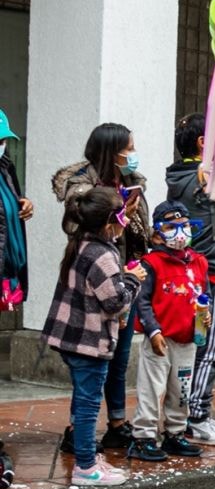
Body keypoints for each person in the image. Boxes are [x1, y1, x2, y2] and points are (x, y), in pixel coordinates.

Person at [52, 122, 150, 456]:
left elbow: (142, 234)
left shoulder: (133, 181)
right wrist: (119, 213)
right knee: (93, 365)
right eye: (129, 149)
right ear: (112, 151)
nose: (133, 155)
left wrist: (132, 221)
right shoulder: (81, 186)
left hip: (127, 278)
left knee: (118, 359)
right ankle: (77, 434)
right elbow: (76, 226)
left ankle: (118, 426)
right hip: (97, 284)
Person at [44, 187, 143, 486]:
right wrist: (132, 280)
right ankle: (86, 466)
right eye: (123, 214)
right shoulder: (102, 255)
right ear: (108, 222)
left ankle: (86, 456)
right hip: (89, 340)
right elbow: (114, 302)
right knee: (88, 405)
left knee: (82, 398)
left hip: (70, 337)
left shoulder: (81, 242)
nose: (126, 219)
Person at [164, 114, 215, 449]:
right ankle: (197, 416)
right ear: (202, 143)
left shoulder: (179, 176)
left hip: (200, 272)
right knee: (211, 346)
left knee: (199, 345)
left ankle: (193, 412)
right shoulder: (208, 176)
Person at [128, 201, 209, 463]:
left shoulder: (198, 262)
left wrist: (205, 314)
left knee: (181, 389)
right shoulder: (151, 263)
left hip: (188, 338)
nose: (180, 233)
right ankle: (144, 436)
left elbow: (203, 294)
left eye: (184, 226)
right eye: (171, 227)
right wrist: (153, 331)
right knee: (152, 387)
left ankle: (175, 432)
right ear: (157, 234)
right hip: (160, 339)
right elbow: (142, 300)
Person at [0, 111, 33, 311]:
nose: (1, 145)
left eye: (2, 140)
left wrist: (23, 204)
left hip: (7, 269)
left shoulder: (5, 168)